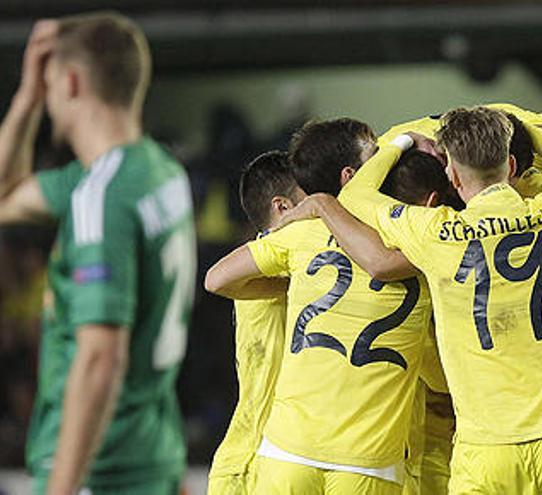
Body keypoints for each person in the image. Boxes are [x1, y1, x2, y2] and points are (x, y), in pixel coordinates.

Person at [322, 106, 542, 493]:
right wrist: (529, 129)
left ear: (452, 175)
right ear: (510, 165)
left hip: (485, 448)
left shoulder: (434, 233)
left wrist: (403, 141)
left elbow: (355, 194)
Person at [204, 120, 457, 495]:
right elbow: (436, 375)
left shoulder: (295, 245)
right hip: (353, 459)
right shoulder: (409, 253)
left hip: (281, 451)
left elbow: (215, 280)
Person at [0, 12, 195, 495]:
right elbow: (5, 194)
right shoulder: (159, 172)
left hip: (101, 469)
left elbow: (100, 357)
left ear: (68, 82)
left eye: (46, 90)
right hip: (151, 453)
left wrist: (61, 488)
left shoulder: (102, 196)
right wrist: (26, 98)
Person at [206, 151, 303, 494]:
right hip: (254, 463)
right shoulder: (273, 257)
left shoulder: (277, 259)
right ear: (283, 207)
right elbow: (213, 280)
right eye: (310, 198)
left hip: (260, 455)